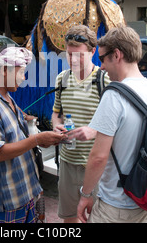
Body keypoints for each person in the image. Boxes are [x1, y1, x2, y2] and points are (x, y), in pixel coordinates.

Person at [0, 47, 64, 223]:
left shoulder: (7, 98)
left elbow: (19, 140)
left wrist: (41, 140)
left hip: (27, 189)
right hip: (8, 197)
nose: (24, 78)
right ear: (4, 71)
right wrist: (36, 139)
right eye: (21, 72)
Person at [77, 25, 147, 223]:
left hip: (116, 206)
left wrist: (86, 195)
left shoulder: (114, 95)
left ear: (117, 55)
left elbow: (98, 157)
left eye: (103, 58)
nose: (101, 66)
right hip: (145, 199)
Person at [51, 25, 110, 223]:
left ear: (93, 52)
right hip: (67, 162)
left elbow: (115, 123)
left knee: (96, 218)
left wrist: (93, 131)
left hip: (95, 166)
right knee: (69, 218)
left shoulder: (105, 80)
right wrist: (55, 126)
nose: (73, 60)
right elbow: (56, 113)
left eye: (79, 55)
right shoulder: (62, 78)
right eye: (69, 55)